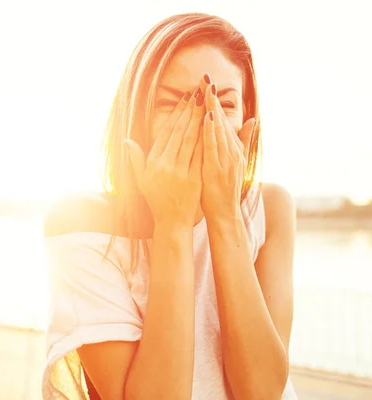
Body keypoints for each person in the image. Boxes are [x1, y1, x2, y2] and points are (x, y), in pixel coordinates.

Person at [41, 12, 297, 400]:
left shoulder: (269, 208)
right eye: (172, 103)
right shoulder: (82, 221)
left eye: (223, 104)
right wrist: (173, 223)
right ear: (136, 115)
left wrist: (225, 216)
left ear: (247, 122)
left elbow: (262, 392)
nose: (199, 118)